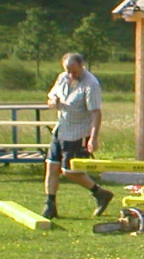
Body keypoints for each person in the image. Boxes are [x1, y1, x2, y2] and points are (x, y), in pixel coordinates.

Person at [41, 52, 113, 219]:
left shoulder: (91, 84)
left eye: (74, 71)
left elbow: (96, 113)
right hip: (61, 129)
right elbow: (50, 98)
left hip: (78, 133)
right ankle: (50, 204)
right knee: (51, 166)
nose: (70, 74)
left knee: (69, 171)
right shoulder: (62, 78)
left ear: (81, 66)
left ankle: (100, 193)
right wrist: (53, 102)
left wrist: (93, 138)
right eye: (68, 70)